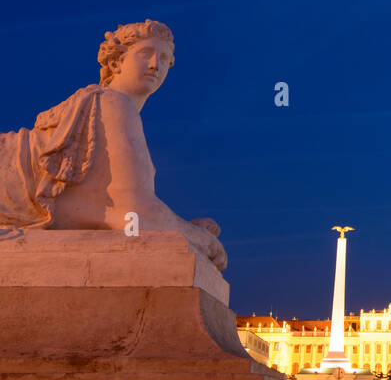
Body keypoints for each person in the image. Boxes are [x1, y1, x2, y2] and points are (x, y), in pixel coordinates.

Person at [0, 19, 227, 270]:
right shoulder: (112, 103)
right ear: (117, 62)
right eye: (145, 54)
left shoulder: (109, 108)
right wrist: (203, 240)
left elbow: (120, 211)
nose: (155, 65)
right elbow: (137, 215)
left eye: (164, 59)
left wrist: (186, 229)